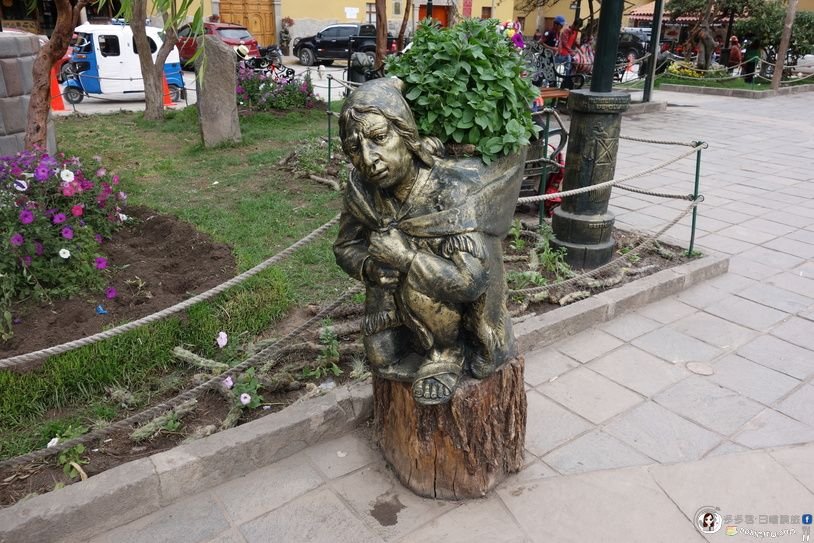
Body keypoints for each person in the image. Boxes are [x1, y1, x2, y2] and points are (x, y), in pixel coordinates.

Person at [334, 78, 518, 405]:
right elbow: (345, 246)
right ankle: (415, 337)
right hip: (390, 302)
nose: (368, 158)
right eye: (354, 149)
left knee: (422, 281)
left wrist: (405, 258)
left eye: (379, 138)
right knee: (381, 356)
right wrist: (371, 267)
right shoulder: (362, 191)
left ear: (405, 133)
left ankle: (449, 351)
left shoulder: (449, 190)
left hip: (453, 305)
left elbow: (471, 282)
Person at [556, 18, 583, 87]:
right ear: (575, 25)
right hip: (562, 53)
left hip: (568, 53)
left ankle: (568, 83)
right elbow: (565, 43)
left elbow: (573, 41)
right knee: (565, 70)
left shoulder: (575, 32)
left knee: (572, 67)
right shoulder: (566, 31)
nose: (578, 29)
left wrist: (580, 47)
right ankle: (565, 83)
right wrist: (572, 51)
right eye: (578, 27)